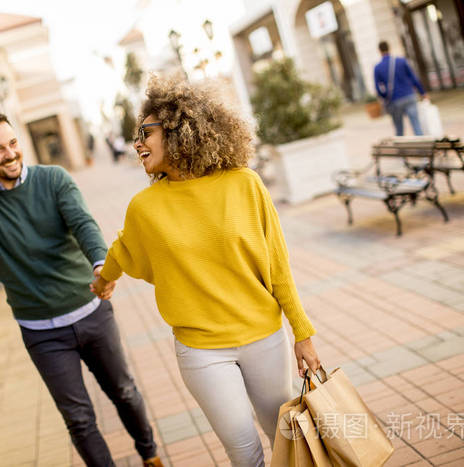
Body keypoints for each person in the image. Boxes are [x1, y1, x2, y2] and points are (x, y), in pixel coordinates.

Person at [91, 77, 321, 466]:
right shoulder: (144, 207)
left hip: (263, 336)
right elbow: (123, 248)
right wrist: (103, 279)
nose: (137, 144)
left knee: (285, 440)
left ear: (179, 130)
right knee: (244, 450)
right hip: (201, 350)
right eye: (136, 136)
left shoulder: (245, 184)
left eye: (146, 133)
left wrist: (303, 333)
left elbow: (278, 266)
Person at [0, 112, 162, 467]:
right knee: (79, 419)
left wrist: (100, 266)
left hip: (91, 312)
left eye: (13, 143)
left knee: (124, 392)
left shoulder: (53, 179)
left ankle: (150, 455)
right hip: (42, 332)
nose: (10, 154)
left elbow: (83, 224)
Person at [374, 40, 428, 136]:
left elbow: (378, 89)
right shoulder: (401, 61)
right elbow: (413, 78)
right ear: (389, 48)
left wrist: (386, 96)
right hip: (409, 96)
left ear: (379, 51)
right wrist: (422, 92)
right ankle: (422, 148)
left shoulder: (378, 68)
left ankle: (401, 149)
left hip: (394, 101)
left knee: (399, 130)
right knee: (416, 126)